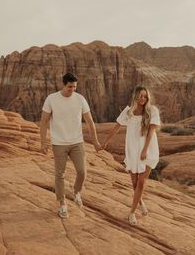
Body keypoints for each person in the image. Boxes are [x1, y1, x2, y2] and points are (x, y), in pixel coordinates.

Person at [40, 72, 102, 218]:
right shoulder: (52, 99)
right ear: (63, 84)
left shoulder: (80, 99)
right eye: (69, 87)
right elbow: (43, 122)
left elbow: (90, 122)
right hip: (59, 143)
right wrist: (43, 142)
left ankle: (76, 192)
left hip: (77, 142)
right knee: (59, 174)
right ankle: (62, 204)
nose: (72, 89)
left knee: (82, 172)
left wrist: (95, 142)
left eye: (74, 87)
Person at [102, 85, 160, 226]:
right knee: (134, 183)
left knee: (141, 182)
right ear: (135, 96)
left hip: (148, 149)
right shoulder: (128, 112)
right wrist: (105, 142)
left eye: (145, 96)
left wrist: (145, 150)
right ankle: (140, 202)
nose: (142, 99)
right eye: (140, 96)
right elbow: (116, 128)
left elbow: (151, 132)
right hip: (132, 150)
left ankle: (132, 212)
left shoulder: (152, 110)